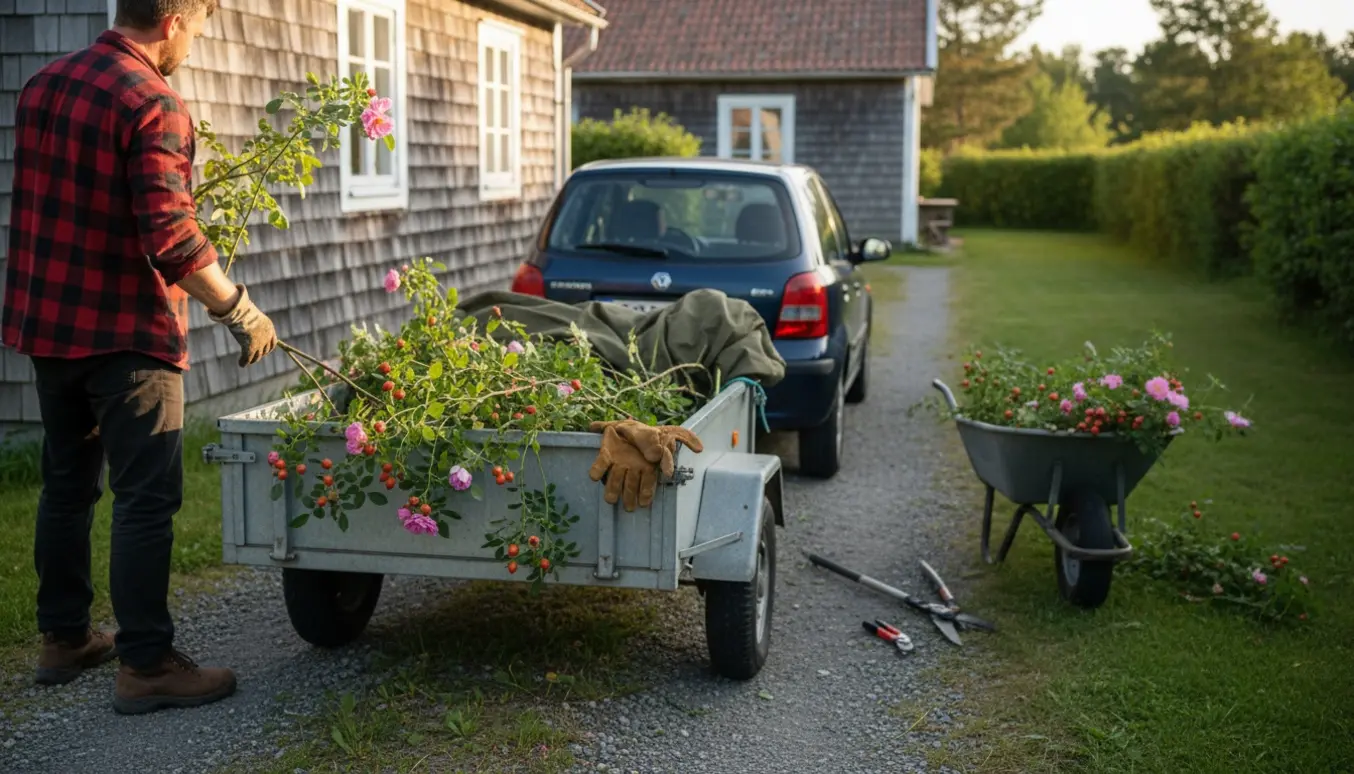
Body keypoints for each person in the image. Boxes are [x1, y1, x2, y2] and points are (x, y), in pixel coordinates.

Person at [1, 0, 279, 715]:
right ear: (174, 20)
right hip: (127, 336)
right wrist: (239, 309)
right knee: (146, 500)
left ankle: (64, 639)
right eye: (201, 26)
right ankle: (147, 664)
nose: (197, 41)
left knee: (67, 486)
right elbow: (172, 237)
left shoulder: (43, 85)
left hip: (50, 326)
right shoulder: (153, 101)